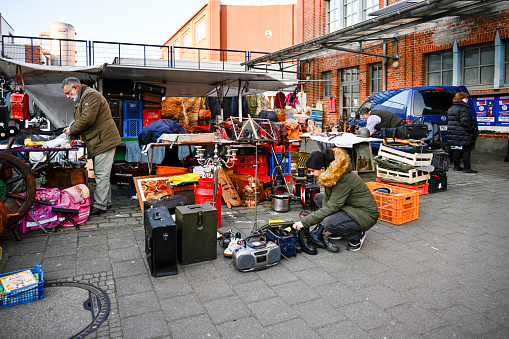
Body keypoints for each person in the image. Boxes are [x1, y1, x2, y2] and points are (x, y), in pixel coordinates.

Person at [293, 147, 380, 252]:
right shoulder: (331, 174)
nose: (311, 174)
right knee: (319, 198)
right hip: (350, 206)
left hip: (366, 214)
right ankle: (338, 229)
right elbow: (327, 199)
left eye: (312, 171)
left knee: (329, 222)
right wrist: (319, 224)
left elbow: (332, 206)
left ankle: (357, 235)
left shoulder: (342, 179)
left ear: (322, 168)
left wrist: (305, 222)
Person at [62, 77, 122, 215]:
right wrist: (72, 128)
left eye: (68, 93)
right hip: (99, 140)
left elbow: (87, 119)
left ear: (75, 88)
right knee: (102, 173)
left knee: (101, 174)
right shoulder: (84, 96)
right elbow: (83, 119)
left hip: (103, 140)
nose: (68, 96)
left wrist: (72, 129)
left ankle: (100, 205)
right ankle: (105, 202)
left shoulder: (90, 95)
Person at [447, 92, 478, 173]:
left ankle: (456, 166)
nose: (467, 100)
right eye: (465, 98)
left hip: (454, 133)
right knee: (466, 149)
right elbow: (465, 122)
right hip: (464, 133)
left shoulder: (451, 108)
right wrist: (472, 129)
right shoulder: (463, 108)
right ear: (461, 99)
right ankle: (467, 168)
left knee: (456, 149)